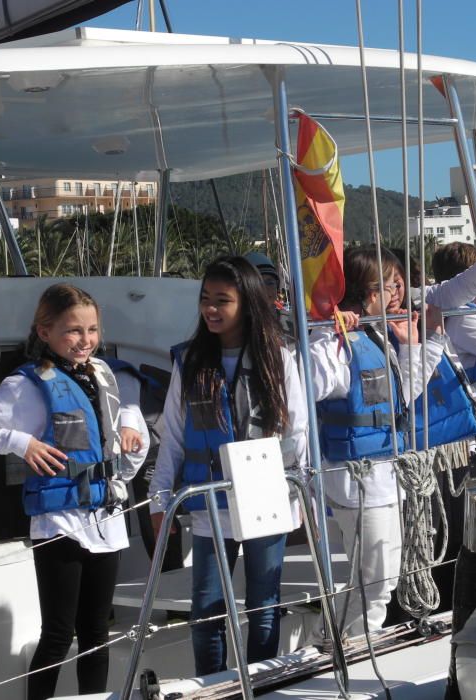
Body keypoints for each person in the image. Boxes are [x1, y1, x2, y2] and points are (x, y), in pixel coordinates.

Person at [0, 283, 149, 700]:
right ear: (44, 332)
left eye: (92, 330)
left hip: (107, 518)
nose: (85, 340)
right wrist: (21, 443)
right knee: (59, 633)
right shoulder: (27, 384)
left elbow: (122, 406)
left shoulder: (102, 372)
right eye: (73, 331)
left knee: (97, 631)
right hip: (60, 521)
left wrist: (132, 423)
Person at [147, 256, 307, 676]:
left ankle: (262, 683)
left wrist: (299, 494)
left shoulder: (280, 357)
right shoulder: (190, 362)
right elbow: (175, 437)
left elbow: (299, 432)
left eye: (222, 300)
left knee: (264, 607)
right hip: (209, 503)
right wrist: (159, 499)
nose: (211, 309)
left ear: (248, 303)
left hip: (266, 499)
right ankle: (213, 686)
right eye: (205, 299)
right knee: (206, 612)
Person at [310, 245, 444, 637]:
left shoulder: (378, 337)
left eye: (398, 283)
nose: (398, 292)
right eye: (389, 285)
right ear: (365, 291)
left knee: (374, 579)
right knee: (376, 582)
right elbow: (303, 387)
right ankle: (354, 653)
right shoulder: (339, 343)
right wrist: (323, 332)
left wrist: (416, 344)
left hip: (386, 476)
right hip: (359, 480)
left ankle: (331, 644)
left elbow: (403, 398)